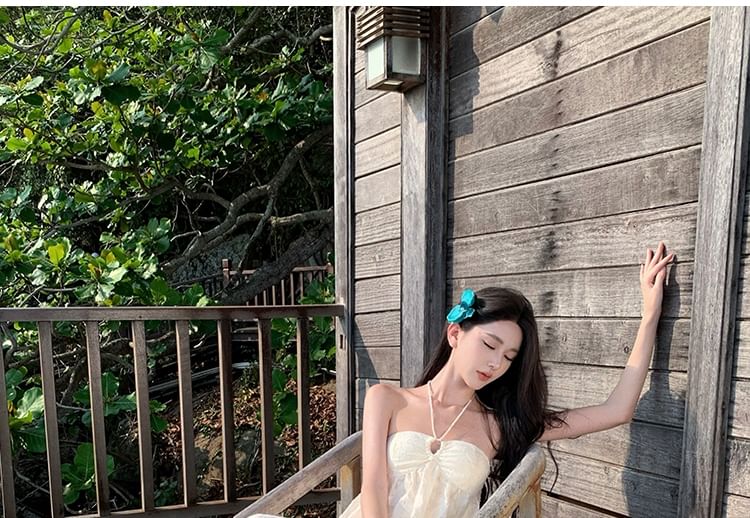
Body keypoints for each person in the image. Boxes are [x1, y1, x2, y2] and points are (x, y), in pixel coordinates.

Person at [338, 242, 675, 518]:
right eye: (489, 345)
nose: (496, 363)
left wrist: (650, 316)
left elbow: (616, 410)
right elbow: (374, 488)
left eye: (509, 357)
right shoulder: (387, 399)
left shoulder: (498, 426)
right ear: (455, 333)